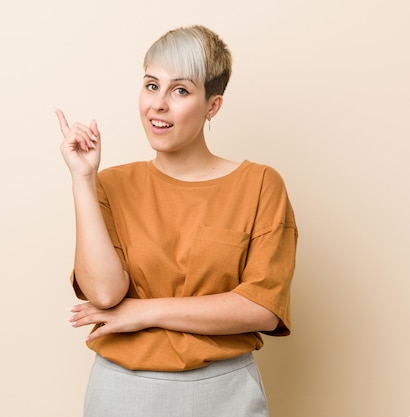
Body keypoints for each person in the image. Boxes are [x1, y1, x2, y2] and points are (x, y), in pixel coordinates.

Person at [56, 24, 297, 417]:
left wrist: (143, 311)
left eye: (180, 90)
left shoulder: (259, 185)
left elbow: (262, 307)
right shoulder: (111, 184)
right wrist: (83, 179)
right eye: (152, 85)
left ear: (213, 106)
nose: (159, 104)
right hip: (121, 391)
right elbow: (104, 295)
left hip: (225, 391)